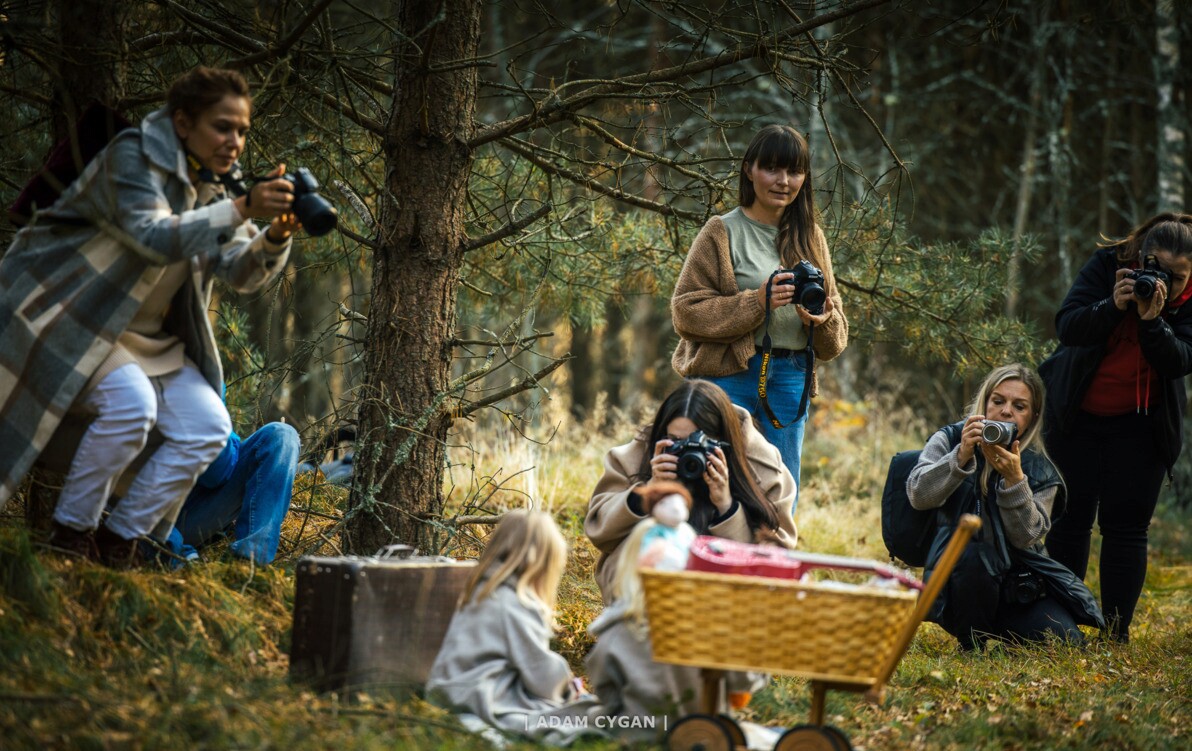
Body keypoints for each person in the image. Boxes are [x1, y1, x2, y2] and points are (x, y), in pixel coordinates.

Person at [0, 66, 300, 567]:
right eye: (223, 127)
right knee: (132, 405)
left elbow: (240, 271)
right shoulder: (131, 158)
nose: (235, 141)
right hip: (79, 321)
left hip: (146, 342)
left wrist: (274, 235)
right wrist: (245, 206)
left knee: (207, 425)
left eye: (243, 131)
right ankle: (70, 534)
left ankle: (124, 540)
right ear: (182, 123)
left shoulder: (210, 186)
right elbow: (154, 237)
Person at [1039, 213, 1192, 642]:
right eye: (1156, 267)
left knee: (1126, 528)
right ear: (1142, 256)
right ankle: (1065, 623)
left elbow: (1179, 360)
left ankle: (1116, 634)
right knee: (1070, 520)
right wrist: (1113, 304)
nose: (1166, 281)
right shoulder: (1109, 264)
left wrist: (1153, 320)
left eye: (1179, 277)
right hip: (1076, 416)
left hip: (1142, 426)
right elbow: (1067, 327)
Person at [670, 124, 848, 490]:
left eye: (795, 171)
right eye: (772, 168)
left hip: (791, 377)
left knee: (778, 490)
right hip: (725, 375)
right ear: (749, 169)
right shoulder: (721, 231)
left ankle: (771, 550)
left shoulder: (811, 236)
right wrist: (757, 302)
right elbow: (685, 311)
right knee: (709, 481)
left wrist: (821, 320)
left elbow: (835, 340)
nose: (784, 180)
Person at [907, 364, 1102, 651]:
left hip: (1015, 586)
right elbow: (918, 495)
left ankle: (1001, 632)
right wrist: (960, 457)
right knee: (974, 547)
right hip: (958, 580)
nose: (1006, 411)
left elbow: (1026, 538)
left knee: (1068, 643)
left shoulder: (1040, 469)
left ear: (1032, 417)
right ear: (985, 402)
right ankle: (970, 641)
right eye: (998, 401)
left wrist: (1015, 480)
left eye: (1019, 406)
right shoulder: (949, 439)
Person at [586, 480, 766, 744]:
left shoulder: (618, 631)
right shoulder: (715, 631)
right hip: (706, 736)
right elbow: (745, 679)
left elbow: (603, 683)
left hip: (641, 734)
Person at [586, 379, 797, 603]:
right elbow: (601, 533)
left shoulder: (762, 465)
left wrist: (726, 506)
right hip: (644, 592)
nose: (688, 451)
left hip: (729, 598)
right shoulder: (638, 454)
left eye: (700, 442)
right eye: (676, 441)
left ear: (724, 440)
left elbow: (776, 557)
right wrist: (648, 492)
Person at [426, 509, 605, 746]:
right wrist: (569, 689)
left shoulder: (481, 591)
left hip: (450, 687)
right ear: (541, 564)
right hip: (481, 695)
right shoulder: (514, 604)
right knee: (587, 715)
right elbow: (538, 669)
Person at [163, 422, 300, 566]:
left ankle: (249, 562)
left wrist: (228, 436)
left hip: (196, 506)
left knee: (281, 435)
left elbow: (219, 469)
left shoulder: (203, 403)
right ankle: (171, 549)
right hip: (155, 518)